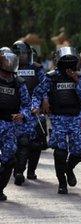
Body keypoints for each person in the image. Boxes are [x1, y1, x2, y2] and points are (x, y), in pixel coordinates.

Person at [32, 46, 81, 194]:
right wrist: (36, 106)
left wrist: (76, 80)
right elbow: (38, 93)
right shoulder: (51, 77)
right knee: (60, 152)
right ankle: (62, 182)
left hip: (75, 118)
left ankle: (69, 169)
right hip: (58, 118)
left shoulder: (79, 77)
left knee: (78, 153)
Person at [11, 41, 46, 184]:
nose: (22, 57)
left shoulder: (37, 68)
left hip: (34, 109)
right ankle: (19, 171)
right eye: (19, 54)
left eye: (24, 54)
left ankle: (31, 170)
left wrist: (44, 100)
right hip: (17, 109)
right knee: (22, 143)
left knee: (36, 144)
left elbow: (45, 85)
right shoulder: (10, 68)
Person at [0, 52, 32, 201]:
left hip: (9, 125)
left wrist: (23, 115)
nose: (6, 76)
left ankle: (0, 189)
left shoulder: (19, 83)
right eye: (4, 72)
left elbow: (26, 104)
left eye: (9, 73)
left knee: (9, 160)